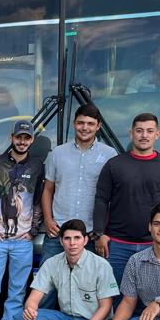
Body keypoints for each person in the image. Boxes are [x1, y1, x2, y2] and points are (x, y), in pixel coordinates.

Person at [92, 113, 160, 283]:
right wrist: (99, 234)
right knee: (116, 296)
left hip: (155, 244)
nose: (144, 135)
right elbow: (101, 200)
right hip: (117, 244)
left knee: (152, 295)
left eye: (149, 131)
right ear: (131, 133)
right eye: (139, 131)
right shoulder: (114, 165)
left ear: (157, 134)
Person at [16, 219, 119, 320]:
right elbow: (34, 296)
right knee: (22, 318)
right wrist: (30, 307)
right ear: (61, 241)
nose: (72, 243)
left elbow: (106, 307)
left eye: (77, 238)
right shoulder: (52, 263)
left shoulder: (100, 265)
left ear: (85, 240)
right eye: (67, 238)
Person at [0, 120, 45, 320]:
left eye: (27, 138)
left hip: (23, 241)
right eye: (19, 137)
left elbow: (38, 200)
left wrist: (33, 230)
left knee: (17, 290)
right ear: (11, 138)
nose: (22, 141)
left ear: (32, 140)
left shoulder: (37, 166)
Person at [41, 103, 117, 261]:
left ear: (98, 126)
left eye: (90, 124)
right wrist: (48, 220)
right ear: (74, 123)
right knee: (47, 284)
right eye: (81, 123)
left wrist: (103, 231)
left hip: (92, 234)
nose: (85, 127)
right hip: (58, 232)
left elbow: (114, 196)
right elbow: (48, 189)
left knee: (90, 284)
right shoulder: (58, 153)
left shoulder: (109, 154)